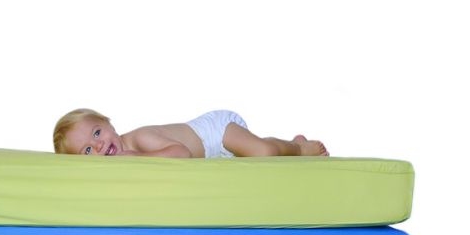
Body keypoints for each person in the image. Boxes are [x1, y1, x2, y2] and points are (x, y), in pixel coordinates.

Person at [53, 108, 329, 158]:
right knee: (254, 154)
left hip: (215, 134)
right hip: (216, 158)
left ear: (109, 123)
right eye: (87, 150)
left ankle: (298, 146)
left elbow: (181, 153)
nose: (98, 146)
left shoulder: (138, 139)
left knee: (264, 152)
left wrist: (135, 157)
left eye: (97, 133)